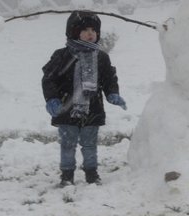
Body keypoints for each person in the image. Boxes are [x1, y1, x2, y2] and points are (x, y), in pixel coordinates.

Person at [42, 11, 127, 186]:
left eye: (94, 30)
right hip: (66, 108)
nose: (90, 34)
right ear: (74, 32)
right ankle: (67, 175)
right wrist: (52, 98)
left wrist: (113, 93)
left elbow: (109, 78)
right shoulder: (62, 55)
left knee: (90, 144)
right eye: (85, 30)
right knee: (68, 144)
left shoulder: (101, 57)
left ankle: (91, 172)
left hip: (92, 108)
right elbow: (49, 78)